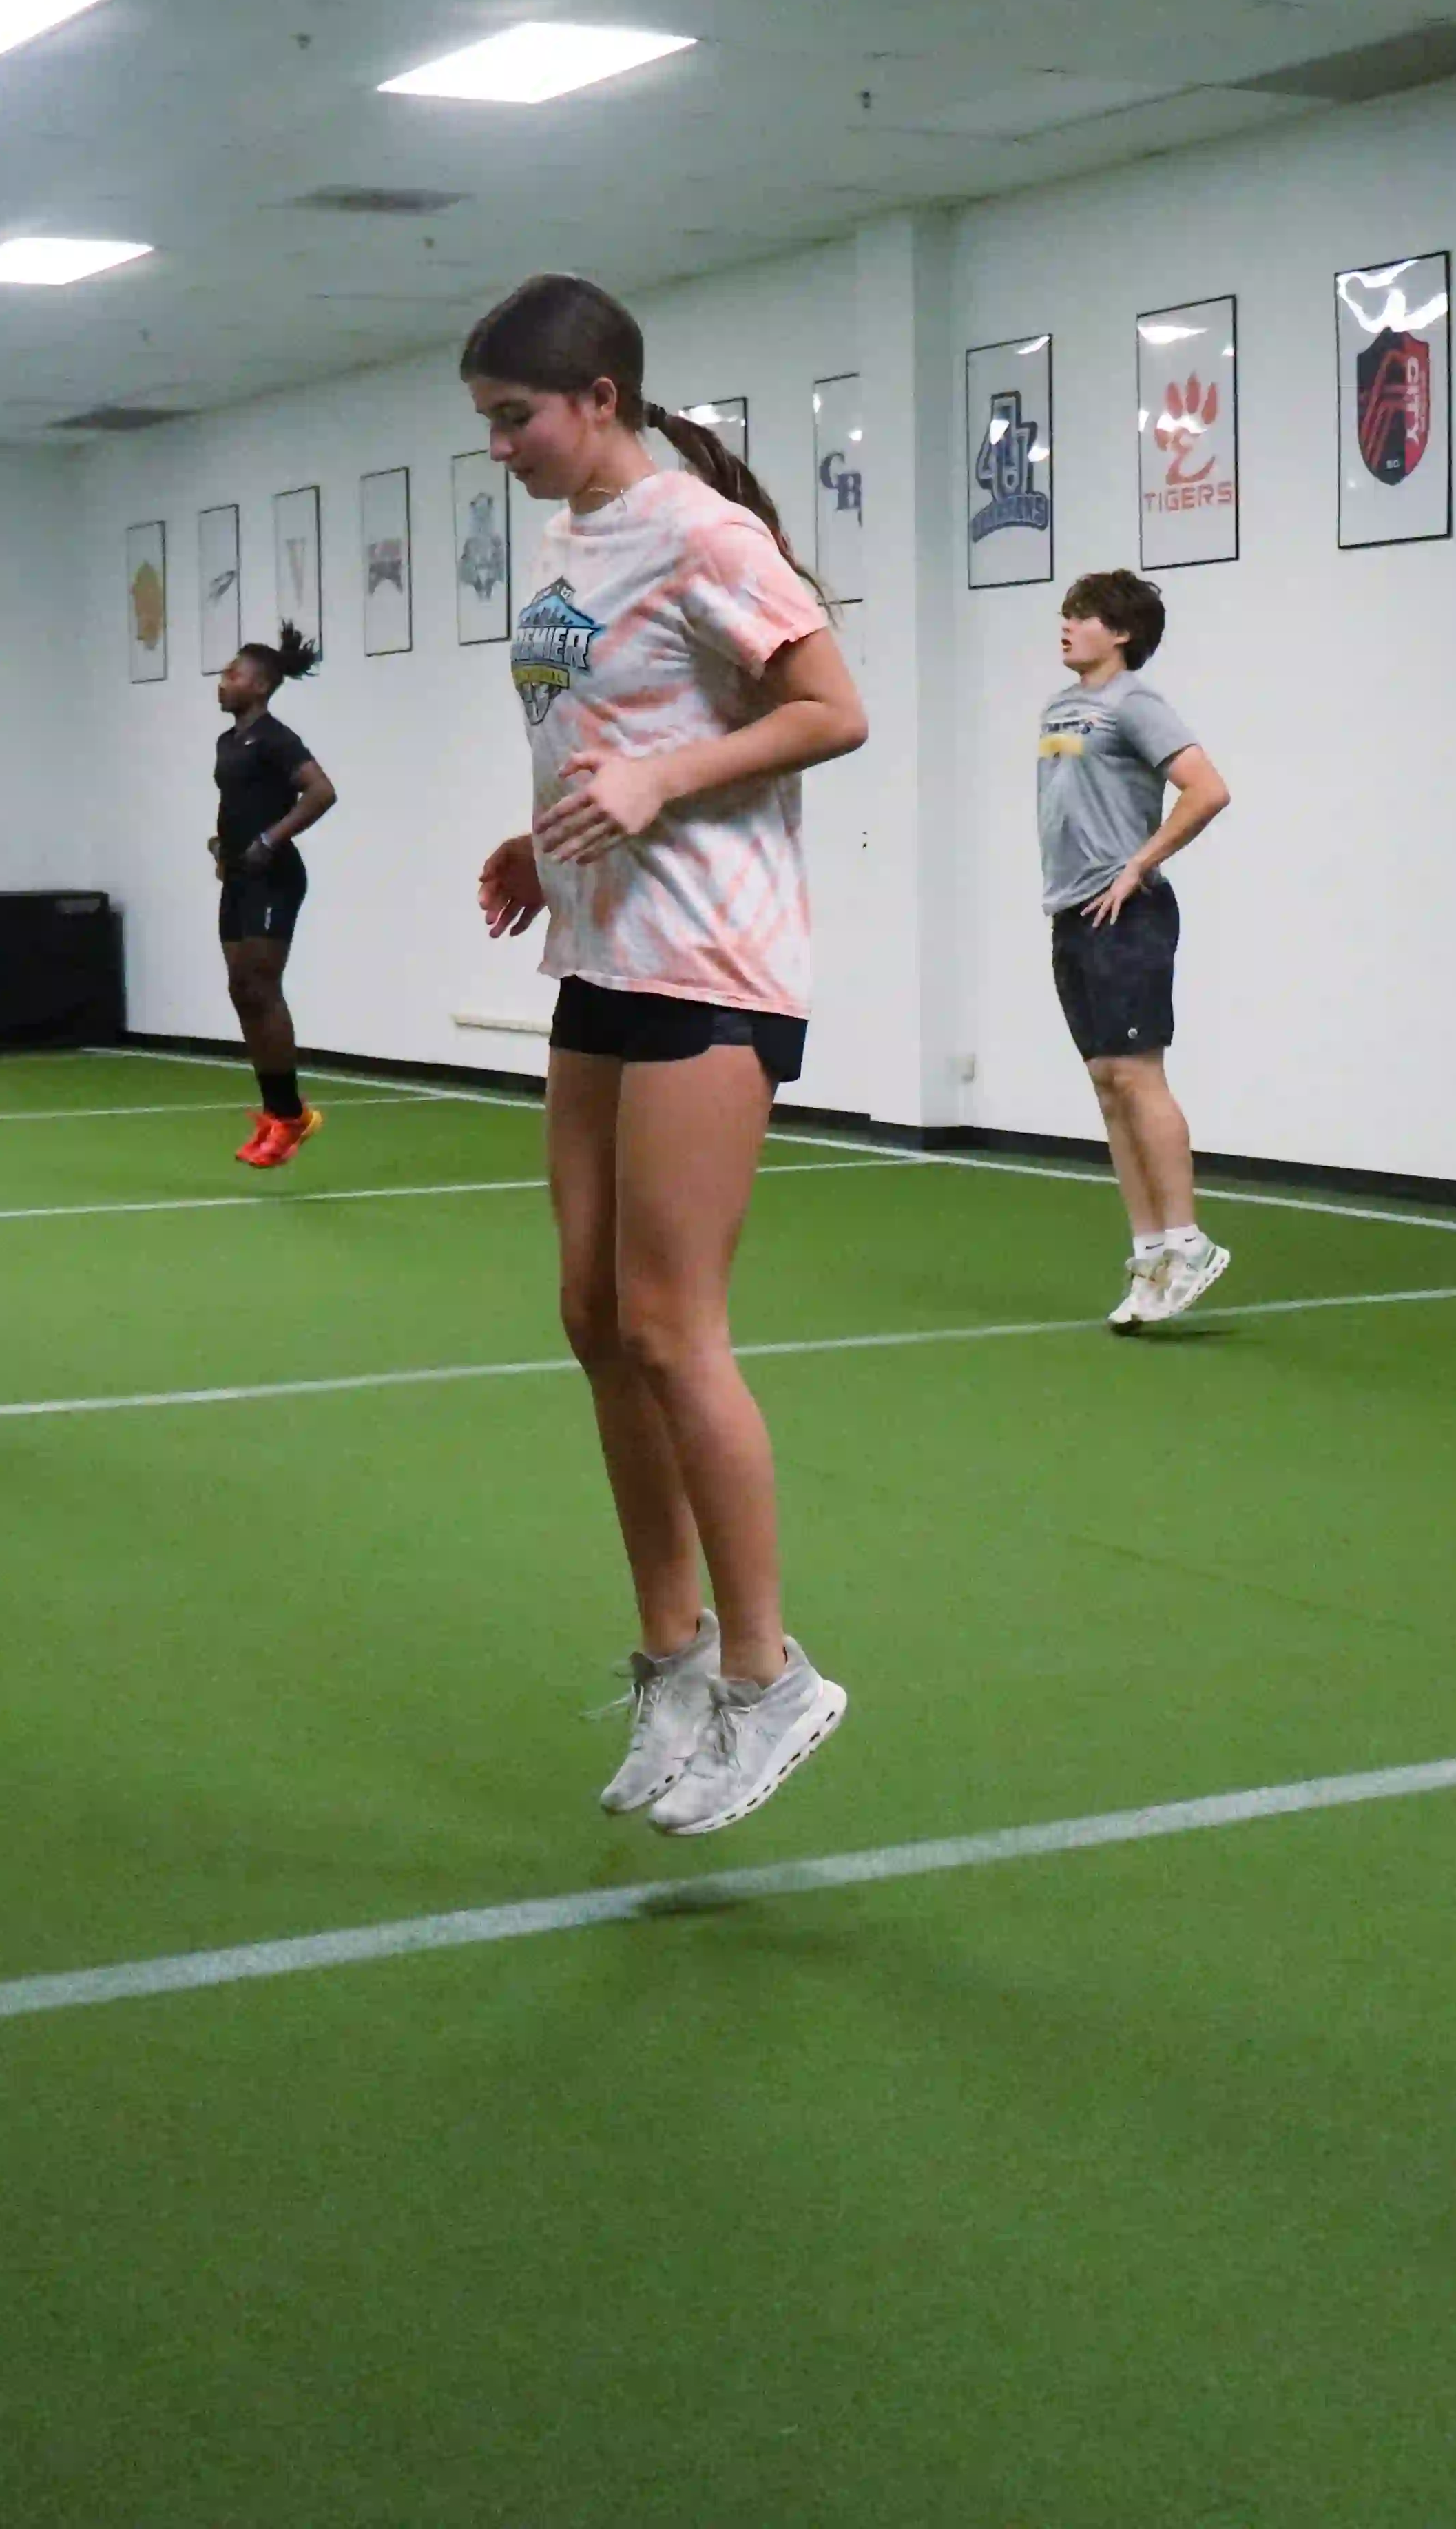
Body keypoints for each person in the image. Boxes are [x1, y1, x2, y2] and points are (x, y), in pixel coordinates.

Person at [464, 271, 868, 1837]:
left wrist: (660, 788)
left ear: (601, 399)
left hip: (713, 962)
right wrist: (545, 829)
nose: (500, 447)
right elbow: (604, 728)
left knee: (669, 1320)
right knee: (590, 1316)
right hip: (604, 955)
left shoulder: (707, 532)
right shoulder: (576, 540)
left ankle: (776, 1677)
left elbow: (831, 709)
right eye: (488, 423)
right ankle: (675, 1655)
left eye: (517, 418)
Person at [1037, 569, 1234, 1328]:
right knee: (1105, 1080)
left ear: (1119, 632)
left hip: (1128, 914)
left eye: (1081, 616)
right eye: (1065, 614)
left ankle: (1188, 1240)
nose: (1066, 625)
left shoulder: (1136, 704)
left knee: (1137, 1073)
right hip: (1070, 913)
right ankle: (1150, 1253)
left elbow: (1207, 789)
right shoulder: (1059, 708)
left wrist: (1140, 863)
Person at [210, 619, 338, 1168]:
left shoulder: (276, 738)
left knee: (261, 986)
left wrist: (269, 839)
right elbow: (240, 803)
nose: (222, 681)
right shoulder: (229, 740)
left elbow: (321, 792)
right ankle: (277, 1110)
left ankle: (290, 1118)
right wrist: (225, 846)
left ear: (259, 686)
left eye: (232, 674)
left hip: (275, 877)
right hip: (239, 876)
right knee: (242, 990)